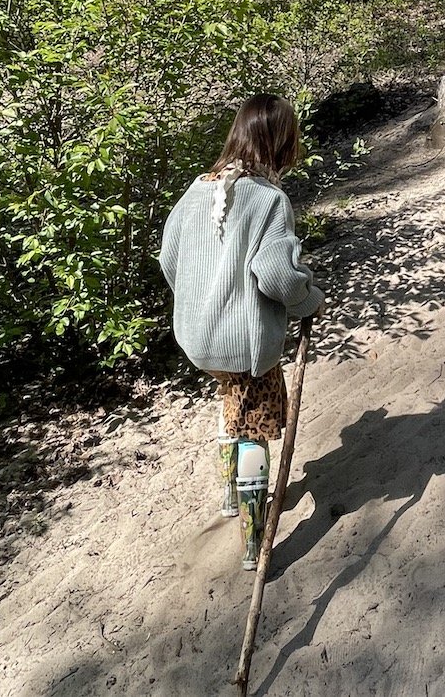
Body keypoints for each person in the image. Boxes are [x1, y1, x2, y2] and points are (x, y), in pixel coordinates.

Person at [159, 93, 324, 570]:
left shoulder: (192, 193)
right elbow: (277, 275)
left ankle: (231, 497)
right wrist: (308, 299)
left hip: (198, 338)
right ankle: (255, 540)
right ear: (279, 143)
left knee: (232, 404)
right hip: (243, 342)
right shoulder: (269, 200)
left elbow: (170, 261)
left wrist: (202, 300)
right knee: (255, 423)